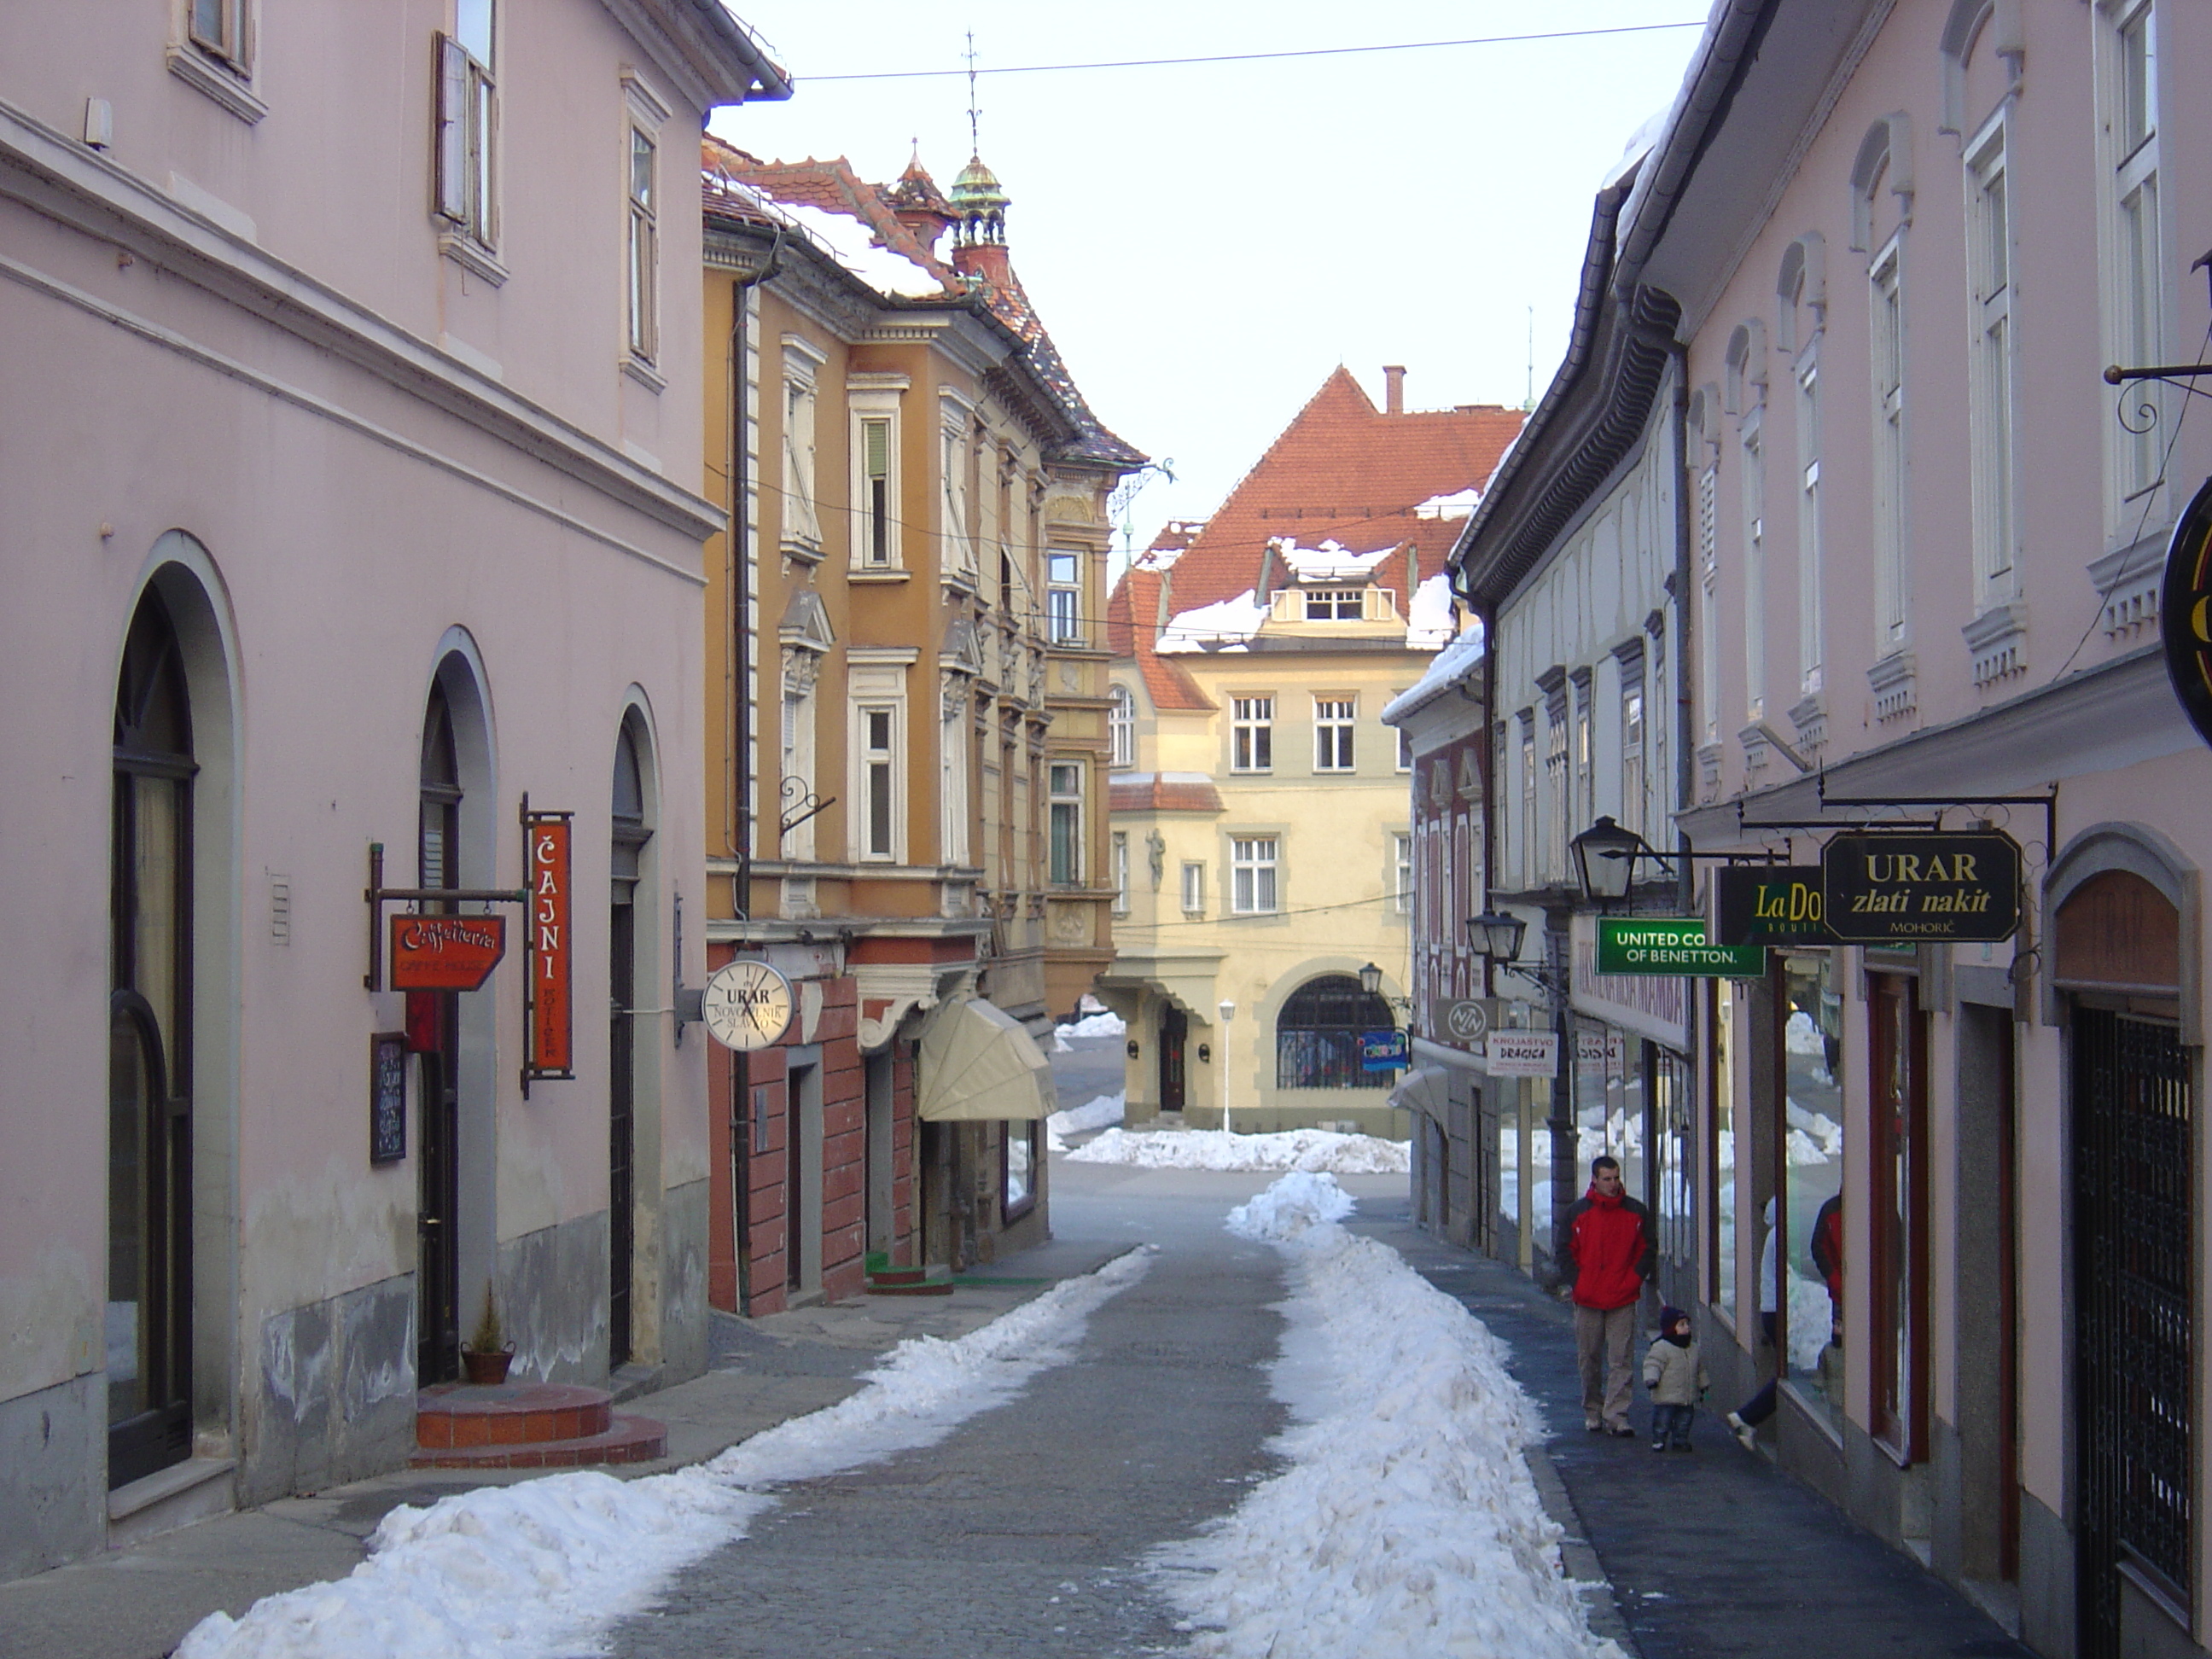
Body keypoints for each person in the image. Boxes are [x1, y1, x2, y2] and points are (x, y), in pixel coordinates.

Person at [1563, 1155, 1656, 1437]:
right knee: (1589, 1358)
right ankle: (1593, 1409)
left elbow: (1647, 1249)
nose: (1613, 1184)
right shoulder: (1578, 1213)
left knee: (1621, 1359)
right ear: (1594, 1180)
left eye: (1616, 1178)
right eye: (1607, 1179)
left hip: (1622, 1296)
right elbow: (1565, 1251)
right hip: (1588, 1297)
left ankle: (1617, 1414)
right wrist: (1578, 1284)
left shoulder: (1636, 1213)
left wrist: (1634, 1279)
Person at [1726, 1197, 1780, 1448]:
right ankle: (1747, 1417)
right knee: (1790, 1376)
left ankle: (1747, 1419)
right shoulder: (1780, 1236)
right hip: (1779, 1311)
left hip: (1771, 1310)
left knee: (1787, 1374)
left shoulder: (1772, 1235)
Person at [1644, 1306, 1709, 1452]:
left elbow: (1700, 1369)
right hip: (1665, 1395)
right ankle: (1659, 1440)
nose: (1687, 1328)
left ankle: (1680, 1440)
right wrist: (1651, 1379)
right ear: (1671, 1328)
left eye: (1687, 1324)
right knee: (1663, 1419)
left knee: (1684, 1421)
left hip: (1687, 1395)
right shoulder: (1661, 1347)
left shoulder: (1693, 1348)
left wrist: (1703, 1383)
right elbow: (1652, 1364)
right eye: (1681, 1325)